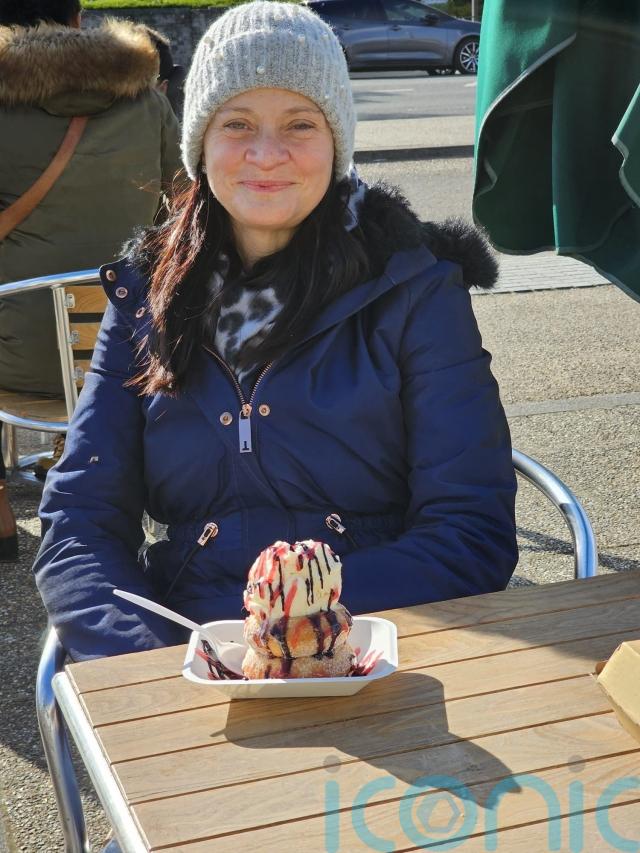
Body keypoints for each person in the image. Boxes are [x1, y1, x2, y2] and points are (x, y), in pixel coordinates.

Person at [33, 1, 518, 662]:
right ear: (200, 143)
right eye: (237, 123)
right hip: (191, 646)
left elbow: (470, 530)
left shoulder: (415, 285)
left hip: (381, 642)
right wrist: (145, 662)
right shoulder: (147, 295)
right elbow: (81, 521)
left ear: (336, 141)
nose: (267, 154)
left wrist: (293, 625)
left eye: (300, 124)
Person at [0, 0, 182, 558]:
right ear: (78, 19)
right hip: (131, 354)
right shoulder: (146, 99)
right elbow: (186, 210)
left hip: (15, 361)